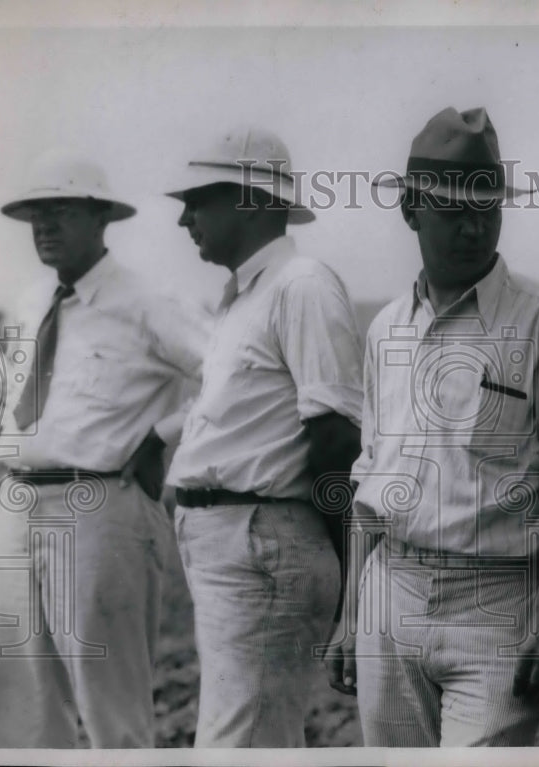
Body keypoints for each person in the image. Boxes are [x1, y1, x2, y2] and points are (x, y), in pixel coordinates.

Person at [326, 107, 539, 746]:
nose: (475, 227)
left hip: (498, 605)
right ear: (411, 209)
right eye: (454, 211)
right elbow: (370, 486)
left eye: (488, 208)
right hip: (389, 596)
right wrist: (348, 617)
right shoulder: (386, 329)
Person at [0, 150, 208, 748]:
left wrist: (160, 437)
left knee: (110, 701)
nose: (44, 226)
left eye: (60, 211)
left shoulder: (146, 300)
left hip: (99, 506)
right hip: (19, 501)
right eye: (35, 214)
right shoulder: (33, 301)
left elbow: (235, 376)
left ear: (99, 218)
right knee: (18, 698)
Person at [165, 127, 363, 747]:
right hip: (234, 544)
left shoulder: (300, 284)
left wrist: (349, 576)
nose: (184, 218)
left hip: (265, 543)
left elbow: (335, 439)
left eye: (198, 198)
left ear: (251, 200)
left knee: (238, 744)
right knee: (256, 736)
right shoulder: (242, 299)